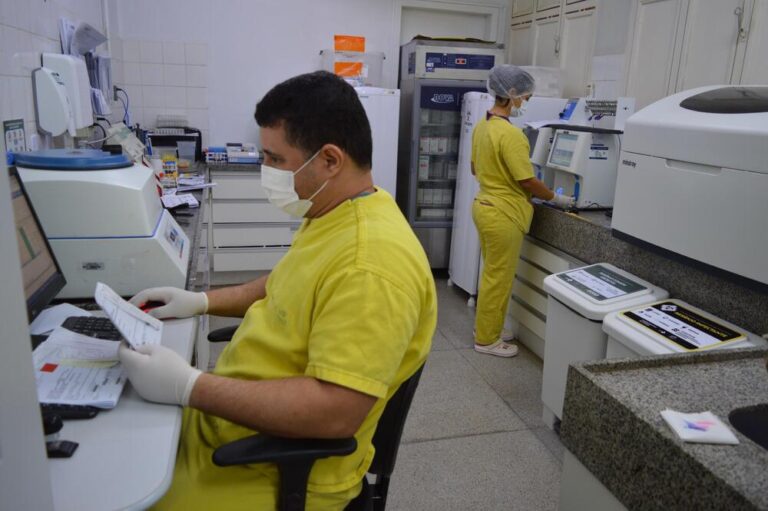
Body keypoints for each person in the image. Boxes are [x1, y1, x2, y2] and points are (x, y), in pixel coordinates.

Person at [118, 71, 437, 510]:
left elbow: (336, 410)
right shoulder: (335, 212)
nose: (264, 171)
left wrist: (189, 386)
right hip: (227, 427)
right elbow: (287, 282)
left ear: (329, 160)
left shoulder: (372, 263)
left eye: (274, 159)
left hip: (267, 471)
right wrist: (201, 302)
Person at [471, 65, 574, 358]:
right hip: (503, 214)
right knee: (498, 278)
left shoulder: (483, 126)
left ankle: (487, 327)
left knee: (492, 274)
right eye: (524, 98)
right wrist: (555, 197)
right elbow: (527, 180)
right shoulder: (511, 135)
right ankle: (487, 340)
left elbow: (474, 168)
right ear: (512, 95)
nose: (524, 104)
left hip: (483, 206)